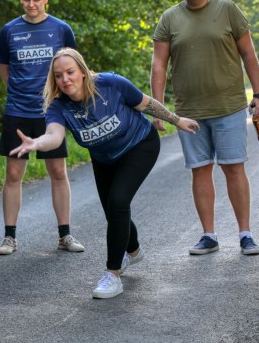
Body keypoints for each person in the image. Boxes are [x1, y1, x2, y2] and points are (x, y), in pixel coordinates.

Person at [11, 48, 199, 298]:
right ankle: (133, 250)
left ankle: (113, 274)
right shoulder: (59, 106)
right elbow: (54, 136)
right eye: (58, 76)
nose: (65, 79)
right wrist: (37, 143)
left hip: (139, 145)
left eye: (70, 72)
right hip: (104, 158)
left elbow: (146, 103)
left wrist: (176, 120)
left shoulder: (110, 84)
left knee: (119, 201)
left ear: (83, 72)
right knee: (113, 211)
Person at [151, 0, 259, 257]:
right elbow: (159, 65)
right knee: (199, 171)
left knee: (233, 168)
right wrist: (158, 109)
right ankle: (209, 235)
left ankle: (245, 234)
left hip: (228, 106)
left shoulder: (227, 9)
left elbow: (249, 55)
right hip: (189, 112)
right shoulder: (169, 18)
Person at [0, 0, 83, 255]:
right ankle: (9, 237)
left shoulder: (61, 29)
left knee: (58, 171)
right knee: (13, 173)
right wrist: (19, 92)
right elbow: (4, 69)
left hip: (51, 111)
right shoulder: (8, 31)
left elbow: (72, 67)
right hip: (17, 111)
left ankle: (65, 235)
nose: (31, 3)